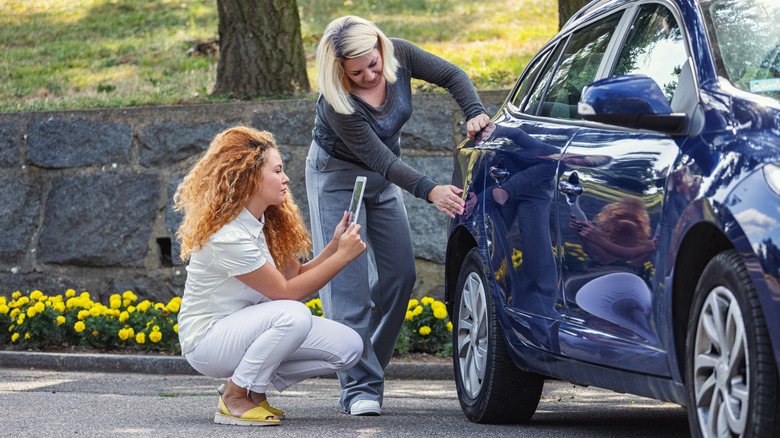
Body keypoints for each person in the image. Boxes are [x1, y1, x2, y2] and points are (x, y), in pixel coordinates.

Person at [305, 15, 490, 416]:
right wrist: (431, 190)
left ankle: (362, 361)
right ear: (339, 72)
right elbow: (380, 158)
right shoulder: (336, 103)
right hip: (337, 177)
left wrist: (474, 110)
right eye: (357, 72)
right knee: (347, 284)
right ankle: (360, 388)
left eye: (373, 63)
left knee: (400, 274)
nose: (371, 75)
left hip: (384, 178)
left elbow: (453, 74)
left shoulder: (399, 52)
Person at [174, 126, 365, 427]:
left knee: (349, 347)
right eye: (277, 171)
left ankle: (255, 390)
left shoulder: (266, 222)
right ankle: (235, 396)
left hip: (249, 330)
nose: (286, 178)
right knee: (293, 314)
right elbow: (286, 292)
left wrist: (334, 247)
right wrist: (343, 258)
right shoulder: (228, 235)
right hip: (208, 341)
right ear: (250, 177)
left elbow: (297, 274)